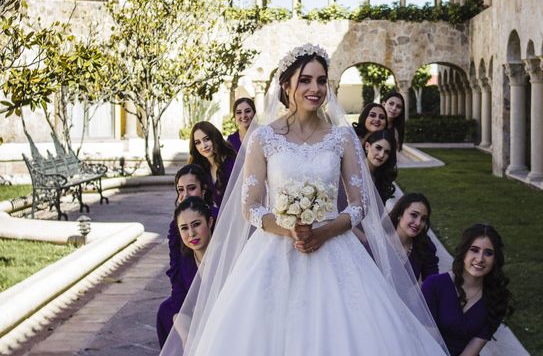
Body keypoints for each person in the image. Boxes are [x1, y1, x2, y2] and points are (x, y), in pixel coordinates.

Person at [160, 44, 449, 355]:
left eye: (322, 80)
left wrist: (323, 231)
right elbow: (251, 206)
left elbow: (358, 204)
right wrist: (289, 230)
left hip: (335, 247)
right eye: (306, 80)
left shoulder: (342, 137)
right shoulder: (263, 138)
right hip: (273, 249)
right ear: (287, 85)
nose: (315, 88)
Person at [422, 224, 513, 356]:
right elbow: (426, 340)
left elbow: (472, 350)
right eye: (474, 250)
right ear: (464, 252)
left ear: (495, 259)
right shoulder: (434, 285)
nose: (480, 259)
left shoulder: (497, 299)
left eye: (488, 253)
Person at [157, 197, 214, 348]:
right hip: (194, 310)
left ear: (209, 222)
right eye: (184, 228)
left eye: (196, 224)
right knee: (166, 311)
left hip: (220, 312)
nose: (191, 233)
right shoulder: (184, 260)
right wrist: (185, 335)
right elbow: (180, 295)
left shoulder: (223, 255)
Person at [389, 193, 439, 282]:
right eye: (414, 215)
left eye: (423, 219)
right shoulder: (379, 239)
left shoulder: (426, 246)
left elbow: (433, 283)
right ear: (400, 214)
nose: (418, 223)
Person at [188, 121, 236, 209]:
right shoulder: (203, 168)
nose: (203, 146)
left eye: (206, 139)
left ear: (215, 137)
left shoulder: (231, 163)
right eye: (198, 142)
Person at [363, 129, 398, 204]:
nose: (381, 155)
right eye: (378, 148)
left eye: (387, 152)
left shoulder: (382, 177)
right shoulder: (354, 172)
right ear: (367, 146)